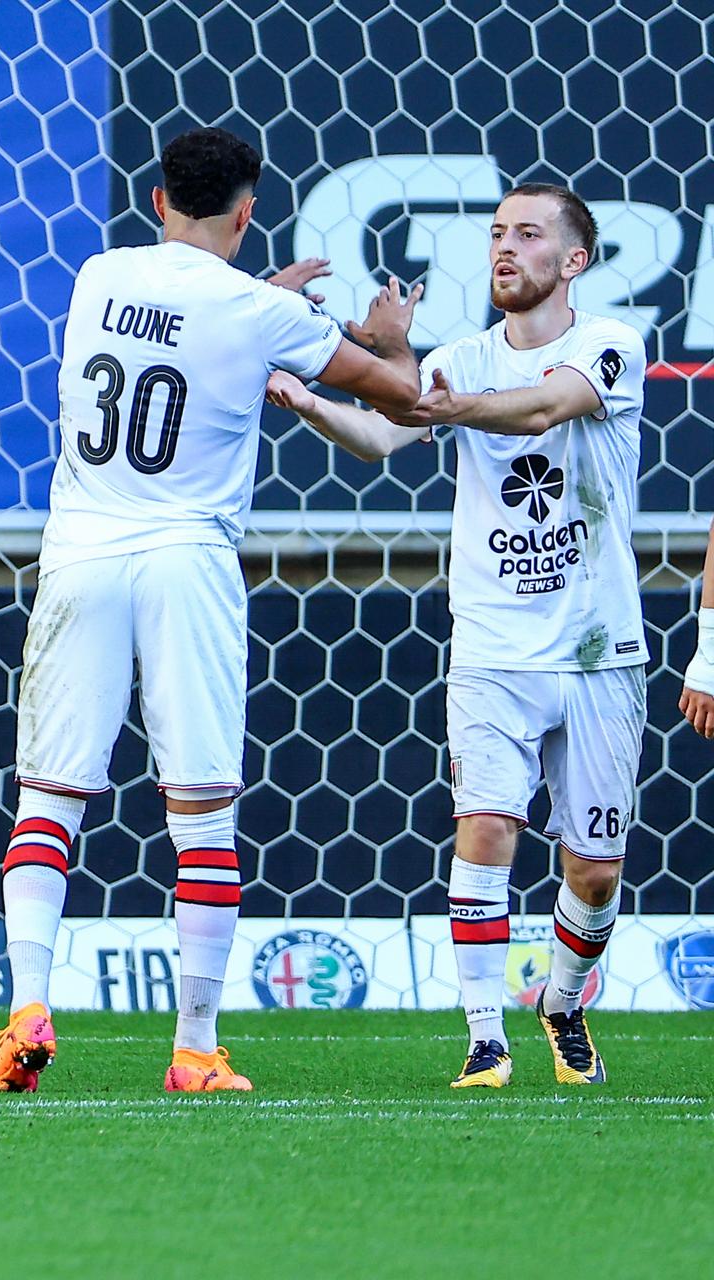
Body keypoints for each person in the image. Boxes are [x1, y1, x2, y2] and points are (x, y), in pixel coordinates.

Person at [0, 126, 424, 1094]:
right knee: (202, 809)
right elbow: (395, 398)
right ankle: (193, 1045)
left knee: (49, 797)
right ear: (247, 211)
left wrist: (259, 297)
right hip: (187, 559)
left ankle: (25, 1010)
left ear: (154, 201)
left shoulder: (100, 276)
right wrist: (388, 339)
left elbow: (187, 318)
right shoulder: (257, 315)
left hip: (83, 551)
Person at [269, 182, 644, 1088]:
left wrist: (428, 396)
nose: (504, 248)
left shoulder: (611, 345)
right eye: (497, 234)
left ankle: (561, 1002)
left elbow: (543, 409)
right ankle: (485, 1036)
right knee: (484, 828)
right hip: (491, 646)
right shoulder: (464, 357)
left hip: (598, 648)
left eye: (528, 234)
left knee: (595, 872)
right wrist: (316, 403)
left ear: (575, 260)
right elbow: (386, 435)